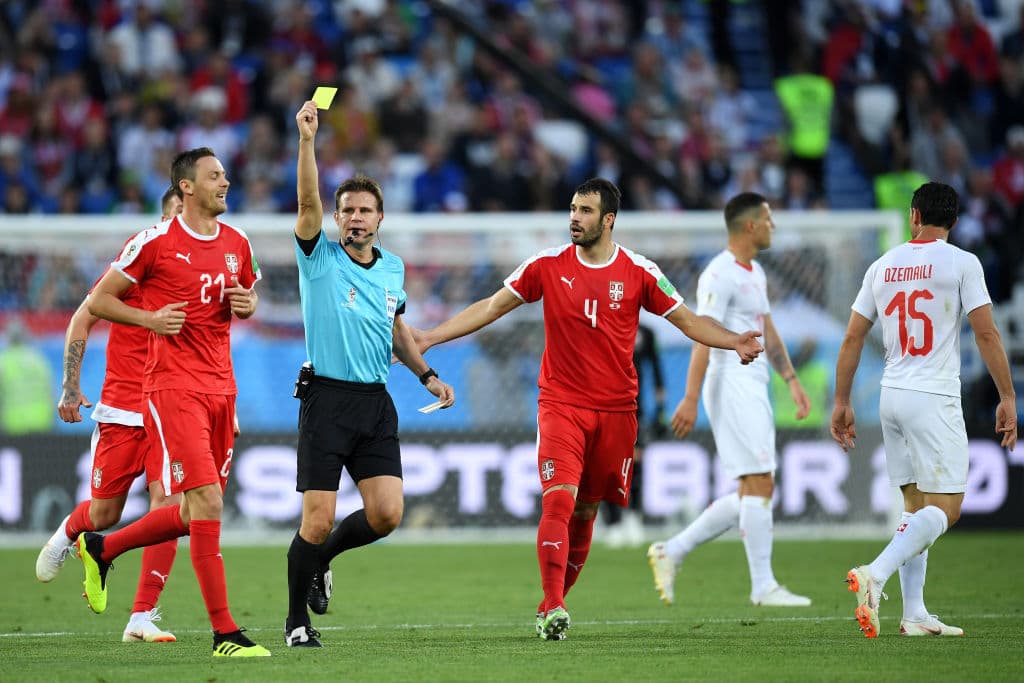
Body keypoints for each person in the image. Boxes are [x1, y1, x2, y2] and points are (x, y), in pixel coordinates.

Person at [412, 178, 763, 641]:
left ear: (608, 220)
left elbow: (688, 319)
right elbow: (493, 306)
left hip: (617, 412)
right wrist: (432, 336)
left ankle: (549, 607)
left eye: (585, 211)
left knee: (587, 510)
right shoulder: (547, 265)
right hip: (561, 404)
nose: (574, 217)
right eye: (573, 209)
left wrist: (733, 339)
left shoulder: (639, 271)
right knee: (559, 497)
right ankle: (555, 604)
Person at [77, 147, 270, 657]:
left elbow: (247, 297)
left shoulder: (238, 241)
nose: (225, 183)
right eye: (214, 176)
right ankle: (226, 633)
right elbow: (98, 301)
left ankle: (103, 548)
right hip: (172, 388)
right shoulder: (155, 242)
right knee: (208, 503)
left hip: (221, 390)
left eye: (225, 175)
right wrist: (150, 320)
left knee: (190, 513)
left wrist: (248, 305)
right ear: (187, 187)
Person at [284, 101, 455, 648]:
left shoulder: (392, 267)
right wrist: (308, 140)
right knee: (315, 519)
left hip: (375, 402)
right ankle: (294, 624)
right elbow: (307, 197)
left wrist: (427, 374)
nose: (356, 217)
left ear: (380, 218)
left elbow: (396, 328)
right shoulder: (319, 257)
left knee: (386, 515)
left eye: (365, 210)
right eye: (348, 210)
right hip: (327, 401)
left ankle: (322, 562)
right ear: (336, 218)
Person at [832, 182, 1017, 638]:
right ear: (953, 222)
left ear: (914, 215)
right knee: (947, 509)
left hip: (891, 394)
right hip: (933, 396)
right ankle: (875, 573)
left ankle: (914, 613)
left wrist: (840, 400)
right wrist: (1008, 395)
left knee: (915, 505)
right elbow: (988, 335)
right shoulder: (962, 263)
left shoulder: (882, 264)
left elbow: (853, 336)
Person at [646, 192, 813, 609]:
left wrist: (790, 379)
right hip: (730, 380)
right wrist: (688, 397)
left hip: (754, 381)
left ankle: (674, 550)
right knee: (759, 481)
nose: (773, 226)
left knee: (754, 486)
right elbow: (702, 331)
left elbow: (767, 329)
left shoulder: (754, 272)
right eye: (769, 219)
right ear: (750, 226)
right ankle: (763, 586)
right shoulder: (718, 275)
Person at [35, 187, 183, 644]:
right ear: (166, 213)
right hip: (123, 405)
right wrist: (70, 385)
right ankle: (70, 534)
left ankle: (141, 615)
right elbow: (84, 316)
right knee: (104, 512)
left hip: (174, 405)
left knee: (170, 506)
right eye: (179, 209)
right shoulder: (140, 254)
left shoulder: (204, 262)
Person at [603, 323, 665, 547]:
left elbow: (656, 370)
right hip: (603, 406)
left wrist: (660, 410)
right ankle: (612, 523)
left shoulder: (646, 333)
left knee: (636, 463)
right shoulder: (602, 324)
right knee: (606, 464)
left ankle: (633, 518)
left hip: (634, 409)